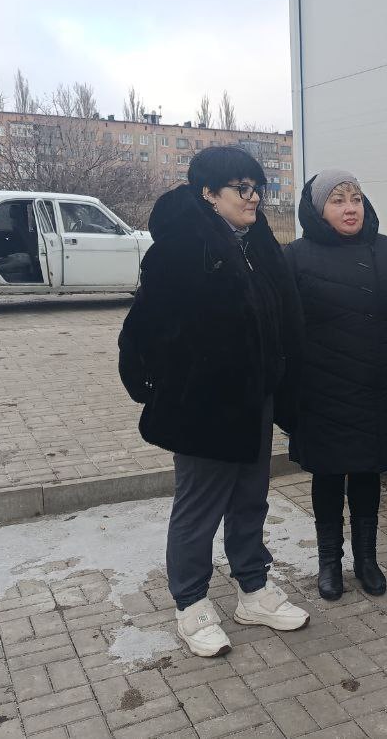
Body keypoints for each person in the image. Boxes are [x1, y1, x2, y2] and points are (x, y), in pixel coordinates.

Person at [118, 146, 309, 658]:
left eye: (257, 188)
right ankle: (191, 603)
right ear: (208, 193)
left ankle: (253, 590)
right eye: (240, 188)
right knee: (198, 509)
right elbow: (142, 330)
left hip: (255, 399)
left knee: (251, 500)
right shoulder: (180, 248)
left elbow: (283, 318)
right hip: (202, 407)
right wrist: (158, 387)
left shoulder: (259, 245)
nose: (253, 198)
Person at [285, 169, 387, 601]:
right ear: (318, 209)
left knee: (367, 471)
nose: (350, 209)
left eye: (356, 199)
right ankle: (329, 562)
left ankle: (367, 560)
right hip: (320, 388)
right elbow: (284, 327)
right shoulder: (296, 256)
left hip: (376, 382)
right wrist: (286, 387)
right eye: (338, 200)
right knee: (328, 474)